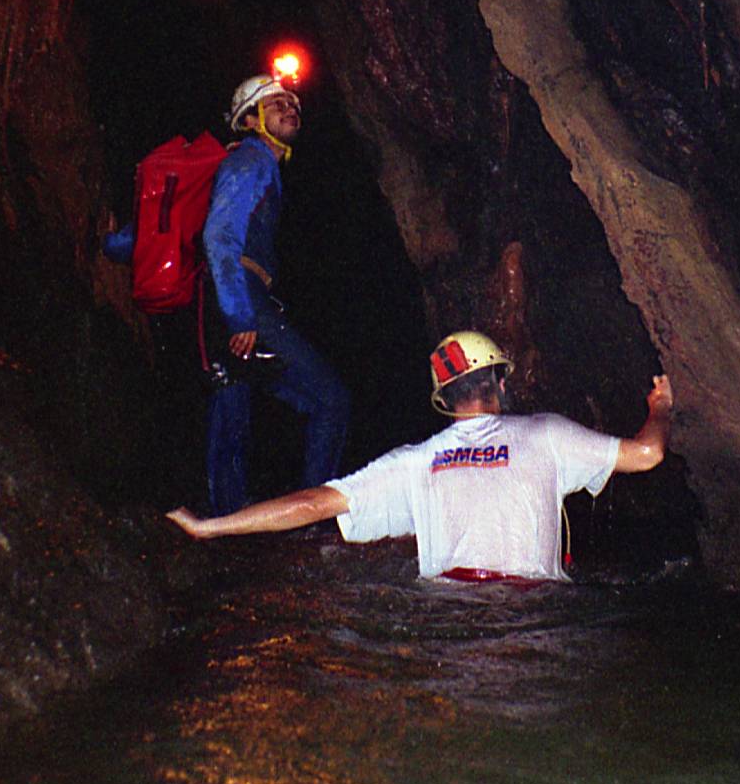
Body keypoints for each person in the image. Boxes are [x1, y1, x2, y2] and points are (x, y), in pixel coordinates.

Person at [167, 329, 672, 582]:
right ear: (498, 382)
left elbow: (311, 504)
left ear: (444, 399)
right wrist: (662, 407)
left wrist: (208, 527)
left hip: (448, 620)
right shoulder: (548, 434)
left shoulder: (414, 461)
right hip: (533, 615)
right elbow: (648, 454)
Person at [202, 72, 350, 515]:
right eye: (277, 105)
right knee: (329, 399)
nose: (291, 110)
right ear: (250, 120)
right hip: (239, 296)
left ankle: (226, 521)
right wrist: (240, 315)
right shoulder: (251, 161)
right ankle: (311, 513)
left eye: (294, 105)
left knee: (231, 407)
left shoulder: (251, 164)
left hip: (218, 298)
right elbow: (219, 237)